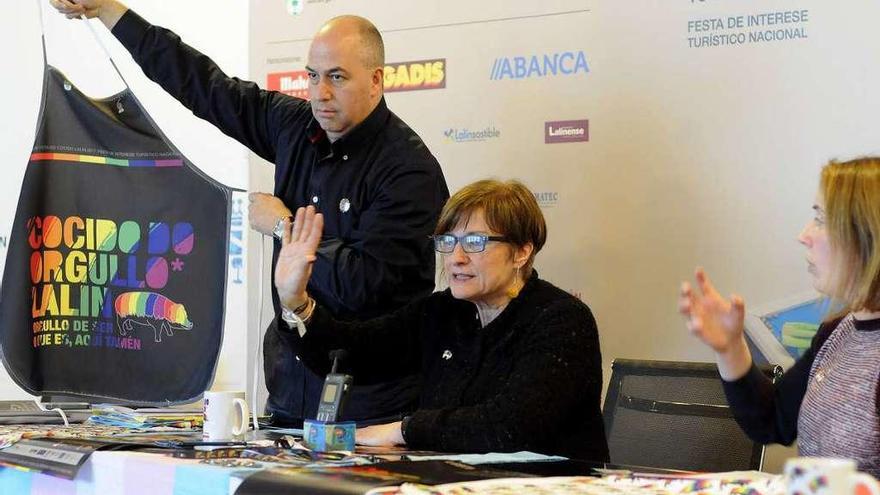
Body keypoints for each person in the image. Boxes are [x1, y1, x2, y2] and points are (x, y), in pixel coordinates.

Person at [50, 0, 449, 425]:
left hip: (373, 405)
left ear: (375, 81)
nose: (321, 93)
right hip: (289, 392)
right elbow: (203, 85)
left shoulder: (409, 170)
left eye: (337, 77)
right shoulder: (295, 126)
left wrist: (283, 226)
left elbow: (366, 285)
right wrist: (109, 10)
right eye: (313, 77)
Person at [272, 179, 609, 459]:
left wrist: (402, 430)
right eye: (448, 242)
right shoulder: (441, 311)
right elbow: (348, 355)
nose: (456, 258)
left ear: (521, 251)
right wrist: (296, 301)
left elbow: (509, 426)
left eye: (475, 243)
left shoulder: (561, 319)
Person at [679, 157, 880, 477]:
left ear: (868, 235)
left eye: (822, 219)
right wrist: (730, 349)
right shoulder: (836, 332)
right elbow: (772, 421)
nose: (804, 235)